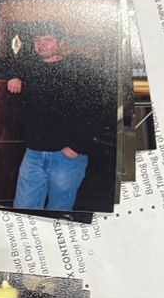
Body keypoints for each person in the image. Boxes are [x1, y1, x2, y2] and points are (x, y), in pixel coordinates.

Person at [6, 21, 100, 212]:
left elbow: (97, 110)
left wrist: (78, 147)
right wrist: (14, 75)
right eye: (37, 40)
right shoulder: (30, 68)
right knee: (23, 209)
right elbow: (3, 61)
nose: (41, 44)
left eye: (47, 39)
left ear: (62, 43)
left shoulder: (81, 69)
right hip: (33, 153)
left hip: (66, 155)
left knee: (58, 211)